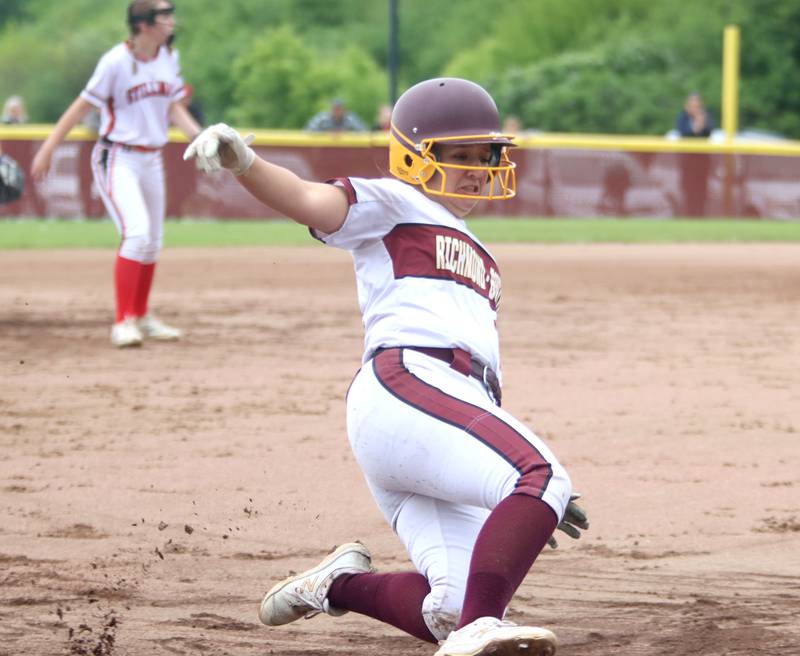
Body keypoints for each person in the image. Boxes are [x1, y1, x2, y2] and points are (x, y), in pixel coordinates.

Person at [184, 77, 588, 656]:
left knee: (449, 606)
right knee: (541, 476)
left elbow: (475, 387)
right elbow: (306, 199)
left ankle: (335, 585)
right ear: (414, 156)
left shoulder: (483, 253)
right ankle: (481, 629)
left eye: (485, 156)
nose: (477, 169)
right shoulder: (393, 202)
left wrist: (509, 492)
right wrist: (244, 162)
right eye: (460, 155)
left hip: (437, 413)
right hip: (407, 383)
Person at [31, 0, 200, 347]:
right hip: (118, 157)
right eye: (164, 15)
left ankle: (141, 316)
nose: (171, 20)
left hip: (152, 159)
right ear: (142, 24)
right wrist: (48, 148)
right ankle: (122, 321)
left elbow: (172, 109)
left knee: (152, 241)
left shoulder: (169, 58)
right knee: (136, 233)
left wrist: (201, 139)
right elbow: (80, 108)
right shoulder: (115, 62)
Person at [675, 92, 714, 216]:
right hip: (687, 162)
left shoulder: (705, 116)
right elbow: (684, 133)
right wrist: (696, 126)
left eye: (697, 105)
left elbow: (709, 132)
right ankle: (687, 215)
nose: (695, 107)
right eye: (692, 104)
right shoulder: (683, 117)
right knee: (687, 190)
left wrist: (700, 121)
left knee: (701, 191)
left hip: (702, 162)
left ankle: (700, 216)